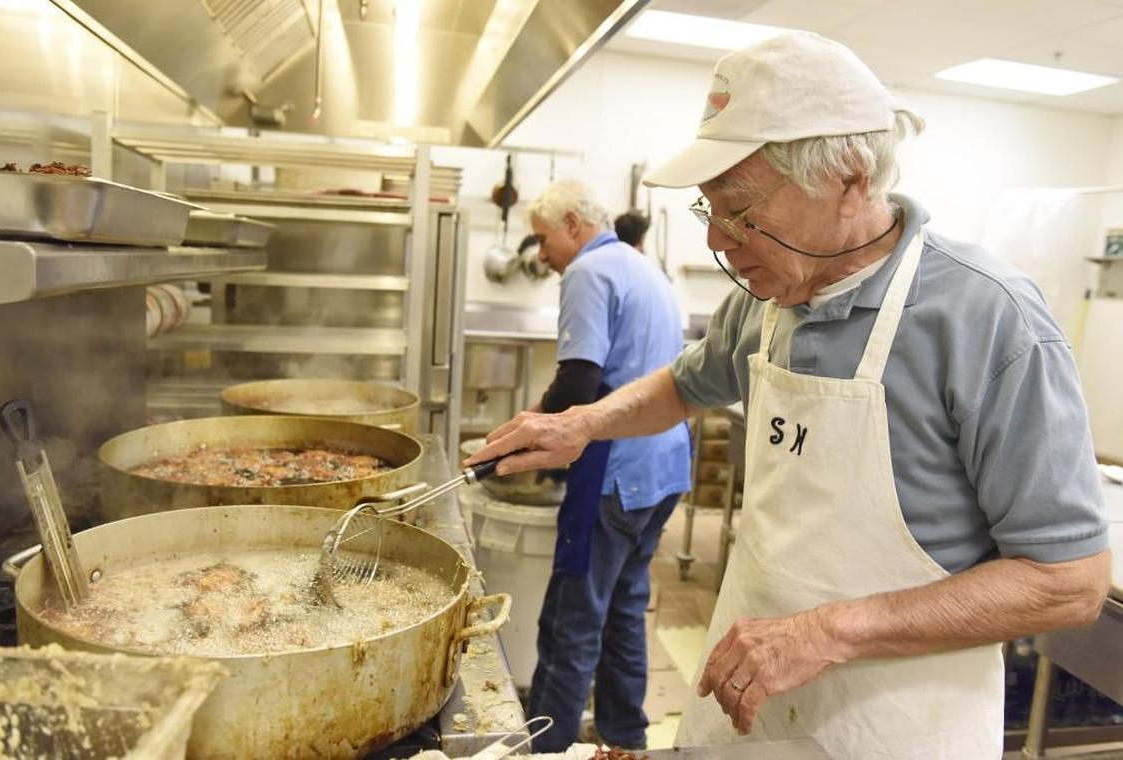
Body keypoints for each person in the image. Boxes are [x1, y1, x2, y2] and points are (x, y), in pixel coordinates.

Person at [466, 32, 1110, 760]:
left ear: (852, 180)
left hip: (896, 729)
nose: (721, 242)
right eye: (711, 212)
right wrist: (583, 423)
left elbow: (1069, 583)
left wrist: (827, 631)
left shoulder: (988, 319)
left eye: (741, 212)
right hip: (751, 710)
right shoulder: (770, 294)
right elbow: (685, 384)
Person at [518, 180, 692, 752]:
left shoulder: (588, 273)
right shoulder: (642, 266)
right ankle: (623, 737)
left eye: (543, 239)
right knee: (623, 608)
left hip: (615, 473)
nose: (541, 254)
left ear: (572, 224)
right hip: (664, 468)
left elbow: (579, 381)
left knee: (572, 619)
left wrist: (529, 430)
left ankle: (546, 746)